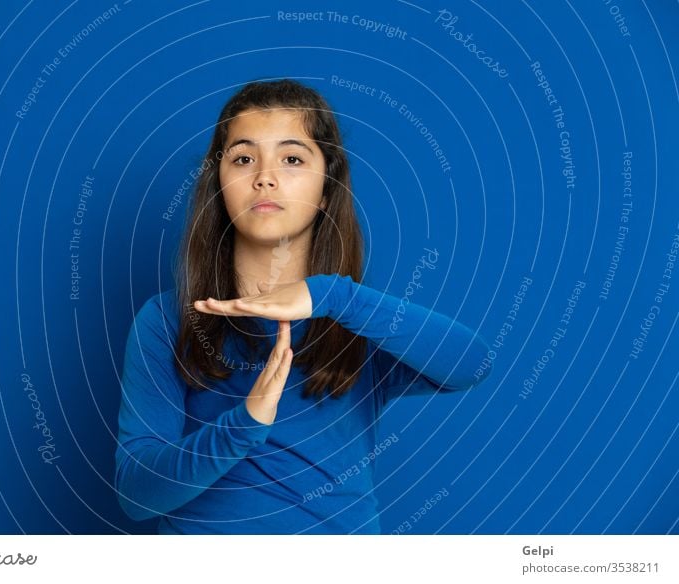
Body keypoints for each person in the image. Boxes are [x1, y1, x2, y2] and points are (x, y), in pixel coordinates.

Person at [114, 79, 492, 534]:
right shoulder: (168, 321)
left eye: (291, 159)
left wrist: (332, 296)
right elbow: (137, 495)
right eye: (243, 158)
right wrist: (244, 423)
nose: (265, 176)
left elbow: (471, 363)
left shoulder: (357, 320)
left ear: (327, 189)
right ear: (219, 184)